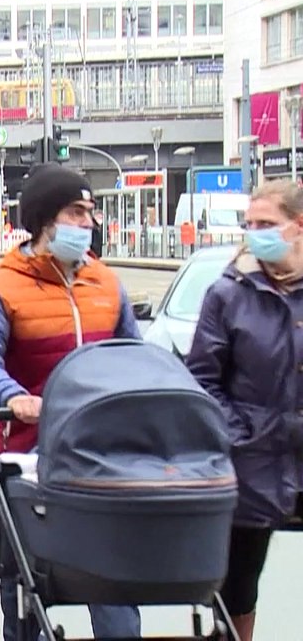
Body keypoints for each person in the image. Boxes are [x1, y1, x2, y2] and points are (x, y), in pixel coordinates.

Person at [0, 165, 142, 641]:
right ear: (43, 221)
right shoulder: (1, 289)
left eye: (90, 212)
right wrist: (13, 397)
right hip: (26, 452)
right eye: (75, 212)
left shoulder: (107, 285)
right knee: (22, 579)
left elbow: (133, 357)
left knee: (113, 577)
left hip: (98, 455)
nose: (88, 223)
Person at [186, 179, 303, 641]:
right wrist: (240, 433)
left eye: (267, 224)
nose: (255, 233)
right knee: (237, 586)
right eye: (250, 224)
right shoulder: (228, 293)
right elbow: (203, 379)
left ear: (298, 227)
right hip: (252, 459)